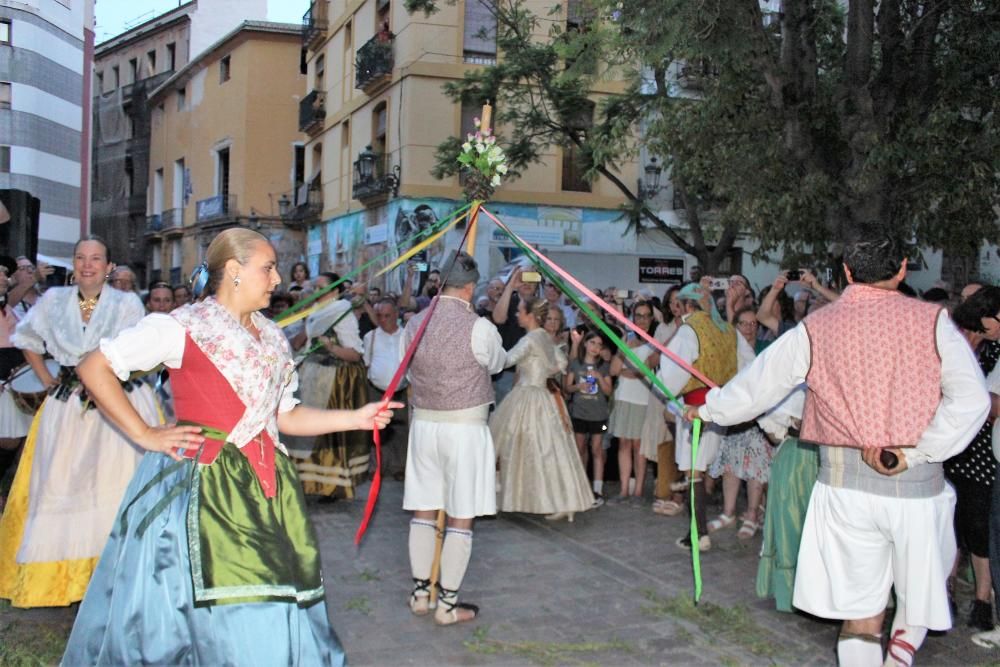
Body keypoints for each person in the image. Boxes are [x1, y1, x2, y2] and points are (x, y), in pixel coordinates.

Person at [61, 228, 399, 664]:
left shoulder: (273, 337)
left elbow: (283, 416)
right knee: (223, 608)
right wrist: (145, 433)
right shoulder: (182, 327)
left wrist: (356, 417)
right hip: (206, 486)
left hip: (266, 487)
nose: (276, 280)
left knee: (273, 600)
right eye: (268, 268)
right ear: (235, 271)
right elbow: (94, 367)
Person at [690, 229, 990, 666]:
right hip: (917, 490)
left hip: (845, 492)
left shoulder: (815, 327)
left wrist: (707, 410)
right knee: (917, 598)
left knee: (860, 615)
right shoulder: (933, 322)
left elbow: (756, 389)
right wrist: (918, 452)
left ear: (847, 272)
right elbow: (973, 399)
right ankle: (899, 655)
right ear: (903, 268)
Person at [0, 237, 160, 608]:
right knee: (61, 480)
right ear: (73, 264)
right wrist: (45, 378)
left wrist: (109, 383)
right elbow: (26, 338)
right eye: (81, 258)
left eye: (96, 258)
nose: (88, 264)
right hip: (69, 405)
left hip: (117, 404)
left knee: (115, 482)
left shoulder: (127, 302)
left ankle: (114, 577)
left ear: (108, 266)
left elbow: (137, 353)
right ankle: (61, 579)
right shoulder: (53, 301)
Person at [403, 250, 505, 626]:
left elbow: (407, 371)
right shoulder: (479, 327)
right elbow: (496, 363)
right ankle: (446, 604)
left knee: (423, 509)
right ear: (470, 287)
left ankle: (419, 594)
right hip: (465, 427)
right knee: (461, 515)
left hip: (424, 425)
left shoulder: (414, 324)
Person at [657, 280, 752, 551]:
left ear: (688, 305)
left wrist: (660, 384)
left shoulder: (690, 330)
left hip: (694, 412)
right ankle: (697, 532)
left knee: (693, 473)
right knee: (697, 471)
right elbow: (749, 365)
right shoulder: (727, 331)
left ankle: (699, 535)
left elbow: (673, 375)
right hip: (718, 408)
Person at [492, 297, 594, 521]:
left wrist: (486, 350)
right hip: (546, 397)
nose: (517, 315)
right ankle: (564, 501)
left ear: (530, 314)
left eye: (519, 311)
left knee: (525, 449)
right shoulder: (545, 338)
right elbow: (561, 364)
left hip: (528, 396)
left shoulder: (530, 339)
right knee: (551, 451)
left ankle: (534, 497)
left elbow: (505, 361)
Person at [289, 272, 369, 500]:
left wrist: (330, 348)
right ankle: (308, 483)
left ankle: (330, 486)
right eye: (314, 288)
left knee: (326, 434)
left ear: (335, 291)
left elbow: (354, 353)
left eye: (322, 288)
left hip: (334, 380)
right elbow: (300, 342)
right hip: (312, 376)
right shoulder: (316, 312)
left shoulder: (342, 312)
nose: (316, 293)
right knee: (306, 431)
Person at [950, 286, 1000, 633]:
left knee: (981, 525)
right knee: (953, 519)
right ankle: (945, 589)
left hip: (985, 449)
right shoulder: (967, 342)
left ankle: (983, 600)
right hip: (959, 443)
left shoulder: (995, 348)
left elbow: (986, 400)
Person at [706, 306, 773, 540]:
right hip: (734, 419)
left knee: (756, 470)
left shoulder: (765, 349)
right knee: (730, 467)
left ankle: (753, 514)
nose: (749, 328)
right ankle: (728, 512)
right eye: (743, 323)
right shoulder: (729, 349)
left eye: (753, 323)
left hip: (758, 420)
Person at [609, 301, 659, 502]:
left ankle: (638, 490)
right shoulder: (626, 340)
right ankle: (624, 489)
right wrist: (625, 349)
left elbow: (644, 371)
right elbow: (613, 370)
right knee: (623, 444)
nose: (642, 320)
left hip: (643, 399)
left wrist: (627, 371)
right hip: (624, 397)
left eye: (646, 315)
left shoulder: (654, 343)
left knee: (639, 445)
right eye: (638, 315)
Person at [565, 330, 613, 505]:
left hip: (599, 416)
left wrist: (599, 377)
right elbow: (567, 388)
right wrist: (579, 386)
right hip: (579, 413)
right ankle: (580, 485)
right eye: (592, 343)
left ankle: (597, 490)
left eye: (599, 345)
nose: (595, 347)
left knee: (597, 449)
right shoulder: (576, 364)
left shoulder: (603, 366)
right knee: (580, 448)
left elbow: (609, 391)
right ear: (585, 344)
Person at [363, 297, 408, 480]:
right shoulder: (370, 336)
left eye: (387, 316)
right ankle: (376, 467)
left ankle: (399, 467)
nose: (383, 320)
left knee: (400, 430)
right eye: (379, 316)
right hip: (376, 389)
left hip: (401, 391)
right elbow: (366, 363)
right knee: (375, 430)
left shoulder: (406, 335)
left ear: (396, 315)